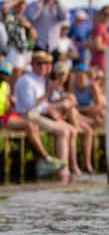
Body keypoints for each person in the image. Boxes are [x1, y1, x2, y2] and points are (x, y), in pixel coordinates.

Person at [14, 51, 74, 179]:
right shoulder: (27, 81)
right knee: (63, 132)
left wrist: (55, 109)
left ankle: (71, 166)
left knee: (71, 130)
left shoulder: (41, 80)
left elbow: (43, 105)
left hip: (38, 114)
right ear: (32, 64)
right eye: (39, 63)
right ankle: (62, 170)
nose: (43, 66)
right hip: (27, 115)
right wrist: (48, 95)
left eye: (46, 63)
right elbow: (30, 106)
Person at [0, 60, 64, 178]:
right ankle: (46, 158)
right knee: (29, 125)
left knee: (33, 125)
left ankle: (41, 162)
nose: (4, 76)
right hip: (1, 119)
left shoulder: (6, 87)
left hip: (4, 117)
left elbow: (8, 108)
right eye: (2, 73)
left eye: (6, 74)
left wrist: (11, 104)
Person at [89, 5, 109, 72]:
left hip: (104, 61)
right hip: (99, 62)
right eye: (105, 14)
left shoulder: (104, 28)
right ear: (100, 14)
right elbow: (98, 46)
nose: (107, 17)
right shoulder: (99, 27)